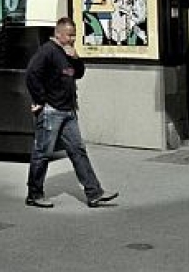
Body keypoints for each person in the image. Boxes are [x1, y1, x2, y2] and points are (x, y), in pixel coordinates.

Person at [25, 16, 119, 208]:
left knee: (78, 151)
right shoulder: (47, 51)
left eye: (74, 35)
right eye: (69, 35)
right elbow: (32, 73)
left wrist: (76, 58)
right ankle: (34, 194)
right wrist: (40, 100)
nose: (72, 38)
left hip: (68, 111)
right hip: (52, 110)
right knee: (43, 152)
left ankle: (94, 193)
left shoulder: (67, 52)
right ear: (58, 34)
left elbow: (79, 73)